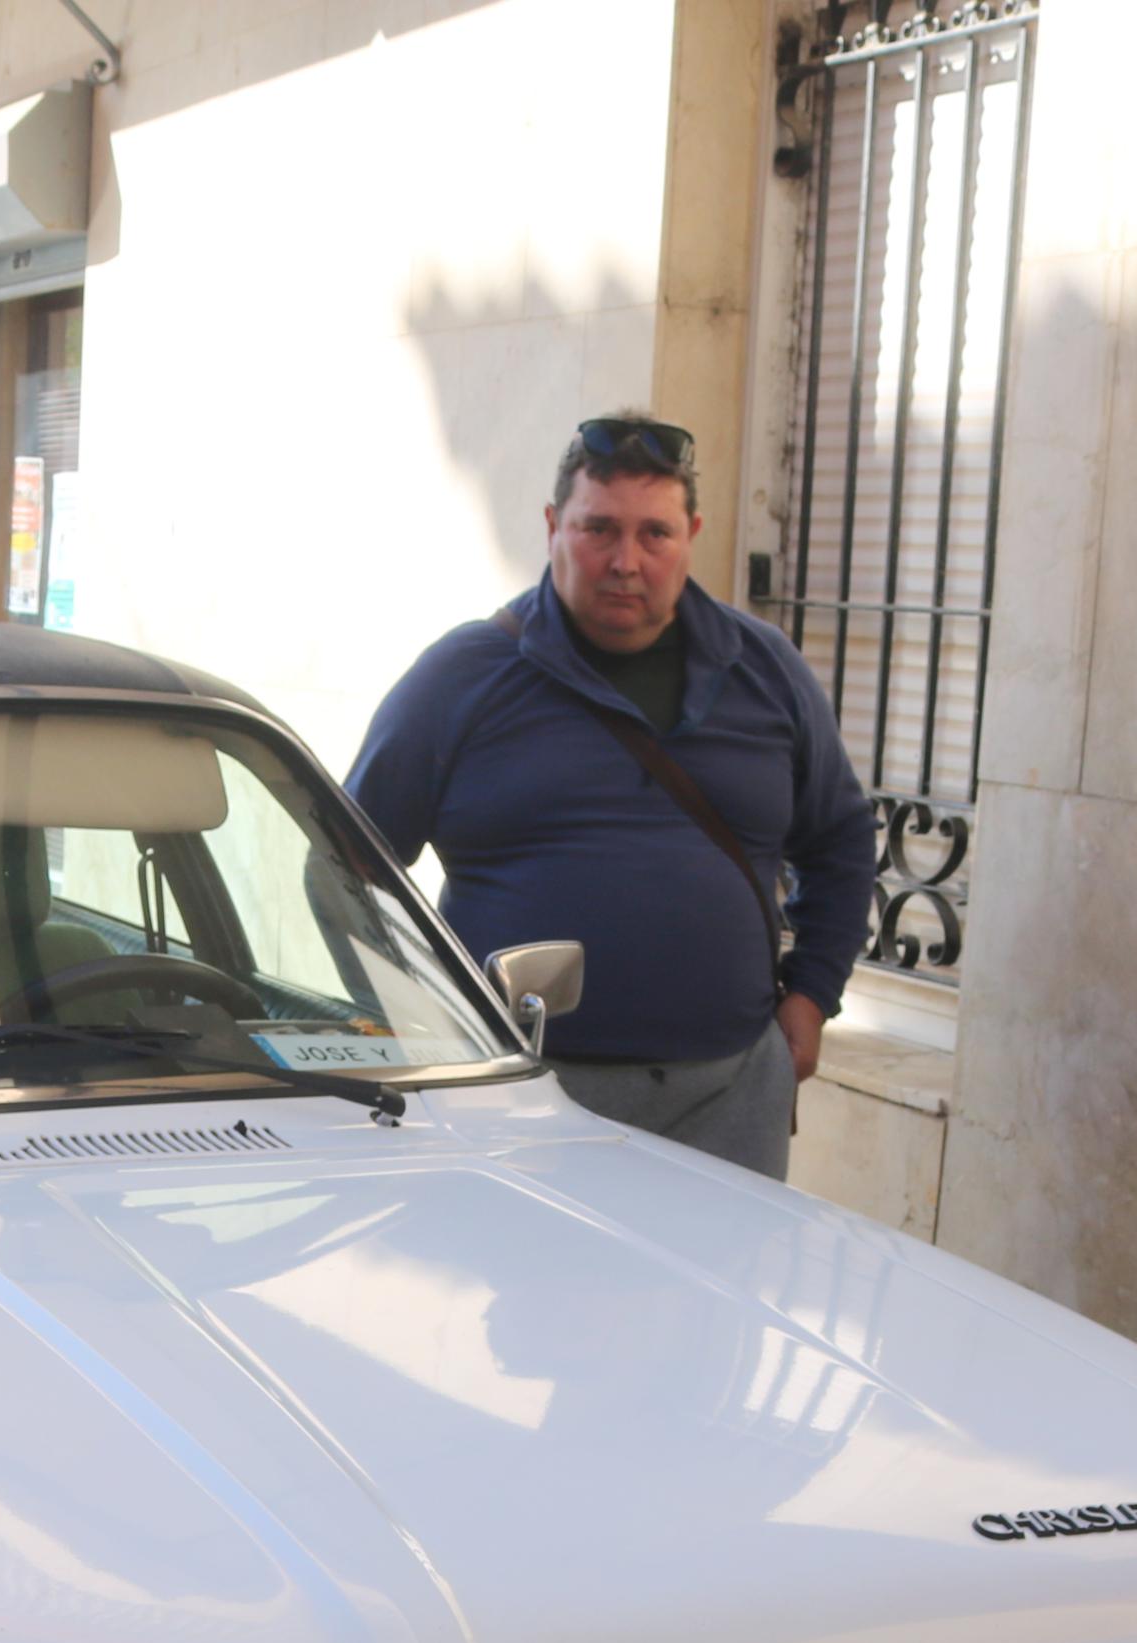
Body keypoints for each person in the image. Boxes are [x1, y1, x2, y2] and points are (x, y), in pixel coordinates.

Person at [349, 412, 873, 1179]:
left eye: (654, 534)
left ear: (690, 532)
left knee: (720, 1300)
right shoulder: (462, 676)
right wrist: (423, 1028)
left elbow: (840, 838)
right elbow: (343, 871)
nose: (626, 561)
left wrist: (813, 993)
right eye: (599, 529)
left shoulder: (766, 671)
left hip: (728, 1096)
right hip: (520, 1097)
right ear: (553, 525)